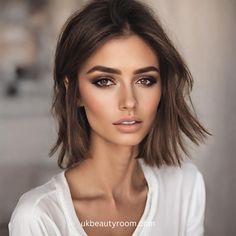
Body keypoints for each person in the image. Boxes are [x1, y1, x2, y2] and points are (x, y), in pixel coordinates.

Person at [8, 0, 210, 235]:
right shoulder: (39, 216)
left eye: (145, 80)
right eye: (104, 81)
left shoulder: (185, 187)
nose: (129, 101)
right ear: (73, 91)